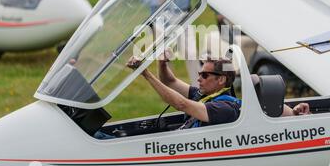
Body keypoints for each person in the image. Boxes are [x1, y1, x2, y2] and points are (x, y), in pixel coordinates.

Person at [127, 52, 311, 131]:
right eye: (199, 73)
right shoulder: (204, 94)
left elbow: (180, 104)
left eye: (204, 75)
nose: (199, 78)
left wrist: (146, 74)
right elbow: (170, 81)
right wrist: (162, 63)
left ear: (221, 80)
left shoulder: (222, 107)